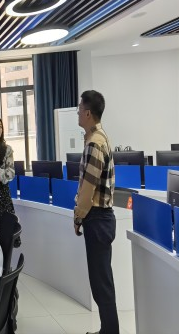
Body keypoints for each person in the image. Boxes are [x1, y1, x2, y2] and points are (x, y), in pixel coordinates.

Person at [74, 90, 119, 334]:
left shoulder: (94, 143)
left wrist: (78, 216)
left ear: (88, 113)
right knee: (102, 283)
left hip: (98, 218)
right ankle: (106, 330)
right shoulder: (98, 137)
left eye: (80, 109)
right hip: (101, 218)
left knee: (102, 285)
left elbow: (88, 189)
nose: (78, 113)